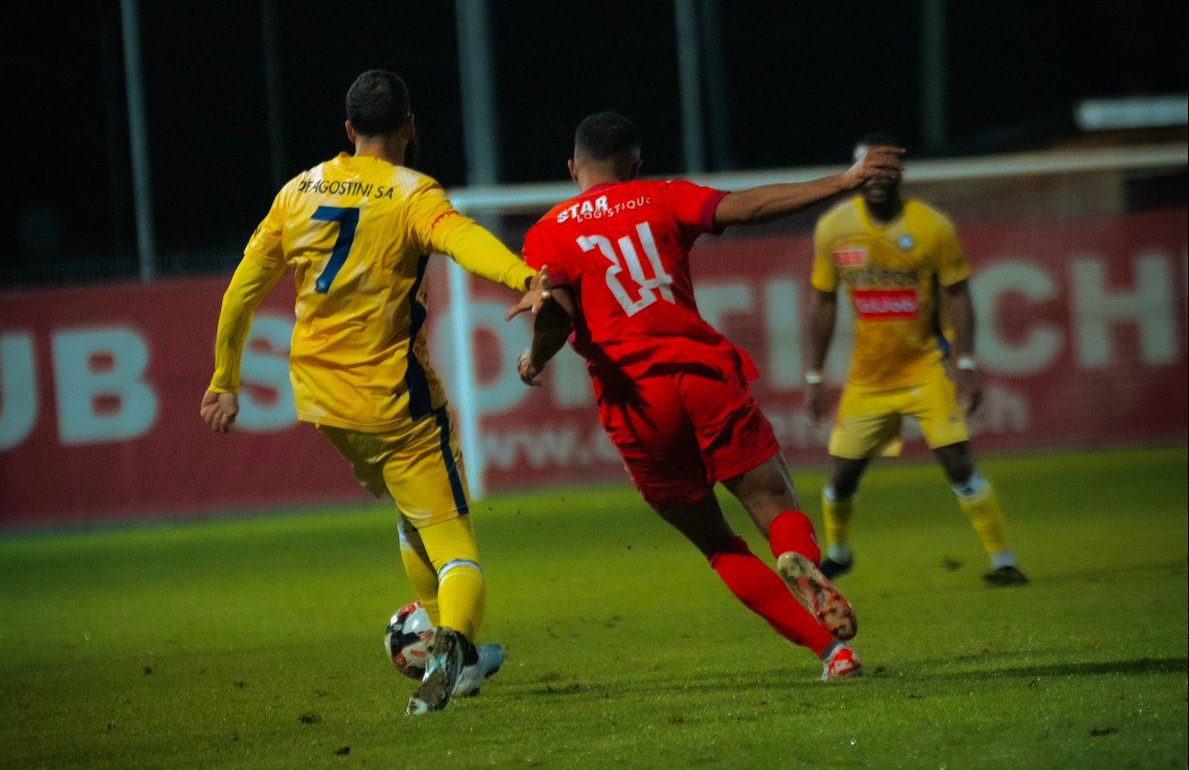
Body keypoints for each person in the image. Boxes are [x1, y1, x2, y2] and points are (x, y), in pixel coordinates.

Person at [507, 112, 904, 681]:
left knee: (719, 544)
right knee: (774, 499)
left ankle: (833, 653)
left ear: (573, 168)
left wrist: (536, 357)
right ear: (636, 165)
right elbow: (748, 206)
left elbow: (557, 313)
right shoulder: (662, 196)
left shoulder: (547, 232)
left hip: (635, 403)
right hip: (701, 375)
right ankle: (802, 559)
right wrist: (842, 182)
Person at [200, 70, 541, 715]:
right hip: (395, 400)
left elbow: (241, 290)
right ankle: (456, 655)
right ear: (411, 126)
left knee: (411, 522)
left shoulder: (297, 192)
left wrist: (225, 379)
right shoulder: (414, 194)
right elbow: (461, 239)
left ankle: (448, 639)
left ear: (349, 129)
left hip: (324, 403)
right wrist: (523, 275)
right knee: (455, 545)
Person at [804, 133, 1029, 588]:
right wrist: (813, 375)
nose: (876, 178)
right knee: (842, 476)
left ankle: (1004, 561)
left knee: (957, 460)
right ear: (856, 173)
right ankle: (839, 553)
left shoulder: (931, 226)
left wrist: (965, 364)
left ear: (900, 173)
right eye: (868, 169)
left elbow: (958, 293)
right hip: (868, 378)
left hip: (925, 367)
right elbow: (823, 300)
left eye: (885, 168)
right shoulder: (834, 228)